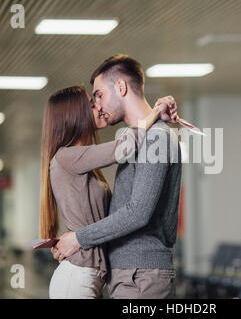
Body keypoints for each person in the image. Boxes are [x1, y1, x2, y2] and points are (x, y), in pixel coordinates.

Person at [51, 54, 183, 299]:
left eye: (99, 95)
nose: (98, 105)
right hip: (130, 274)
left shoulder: (156, 138)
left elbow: (138, 212)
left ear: (121, 87)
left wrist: (79, 239)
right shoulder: (141, 141)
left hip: (141, 275)